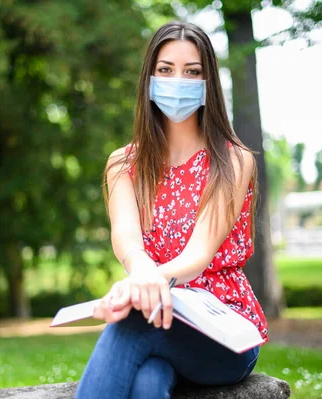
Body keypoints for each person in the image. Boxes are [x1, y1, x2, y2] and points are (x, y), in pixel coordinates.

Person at [75, 21, 268, 399]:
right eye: (165, 70)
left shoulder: (233, 161)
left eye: (192, 72)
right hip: (159, 320)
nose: (177, 80)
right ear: (149, 78)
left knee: (129, 326)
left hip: (225, 330)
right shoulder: (123, 164)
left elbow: (197, 256)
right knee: (148, 383)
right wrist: (142, 272)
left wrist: (145, 284)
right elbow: (126, 237)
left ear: (208, 83)